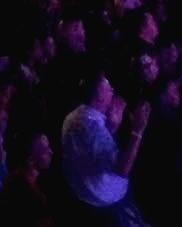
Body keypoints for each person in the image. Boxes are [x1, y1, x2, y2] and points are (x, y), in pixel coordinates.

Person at [61, 72, 151, 226]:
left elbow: (93, 152)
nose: (113, 91)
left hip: (84, 192)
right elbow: (121, 169)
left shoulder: (76, 115)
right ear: (99, 97)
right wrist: (138, 130)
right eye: (108, 88)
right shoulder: (91, 126)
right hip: (102, 199)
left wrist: (112, 126)